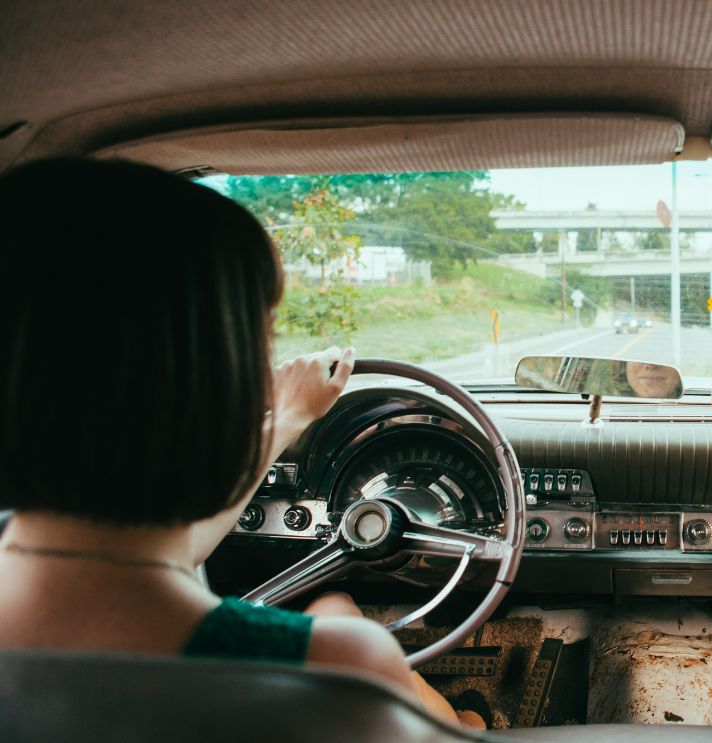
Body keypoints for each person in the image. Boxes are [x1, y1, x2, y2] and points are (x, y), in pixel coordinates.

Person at [0, 158, 487, 730]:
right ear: (222, 393)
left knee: (331, 604)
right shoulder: (340, 666)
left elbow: (156, 554)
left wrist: (286, 420)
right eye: (265, 338)